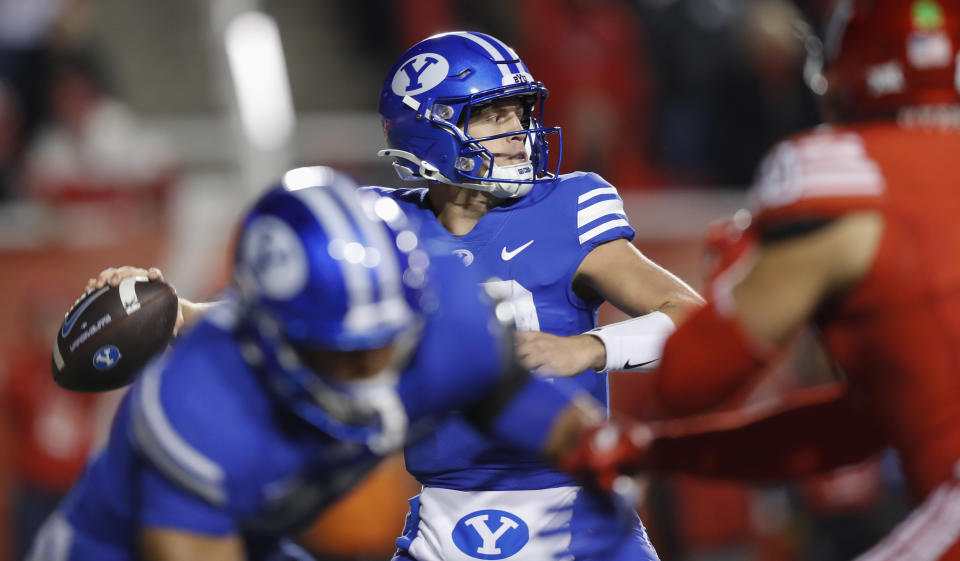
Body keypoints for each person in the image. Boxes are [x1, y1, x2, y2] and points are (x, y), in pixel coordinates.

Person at [26, 168, 639, 561]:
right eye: (341, 350)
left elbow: (505, 395)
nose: (375, 367)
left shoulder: (444, 313)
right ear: (270, 337)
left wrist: (585, 444)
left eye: (388, 338)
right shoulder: (195, 410)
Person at [572, 1, 960, 560]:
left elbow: (689, 383)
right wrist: (656, 451)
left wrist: (735, 274)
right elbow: (848, 429)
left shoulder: (843, 177)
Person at [375, 31, 702, 561]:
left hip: (578, 511)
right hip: (441, 518)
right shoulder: (385, 227)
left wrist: (587, 348)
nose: (519, 133)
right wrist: (189, 317)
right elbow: (276, 323)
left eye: (520, 113)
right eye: (493, 116)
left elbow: (693, 319)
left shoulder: (566, 207)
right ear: (428, 130)